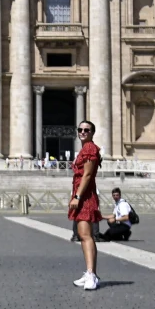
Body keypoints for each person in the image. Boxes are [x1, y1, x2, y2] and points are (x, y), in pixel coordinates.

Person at [68, 122, 103, 290]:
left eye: (86, 130)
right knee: (83, 235)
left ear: (92, 133)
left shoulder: (89, 148)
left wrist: (77, 196)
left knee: (86, 236)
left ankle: (91, 275)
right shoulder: (85, 149)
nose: (82, 132)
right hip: (83, 195)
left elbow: (88, 174)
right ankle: (90, 272)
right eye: (80, 130)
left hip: (85, 197)